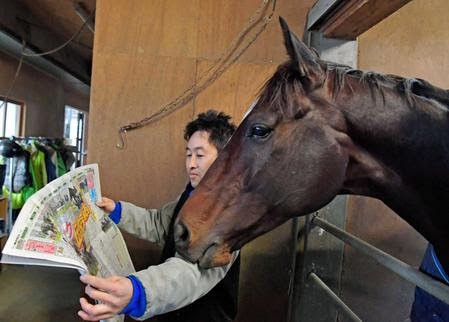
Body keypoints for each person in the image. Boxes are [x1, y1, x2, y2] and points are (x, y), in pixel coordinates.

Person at [78, 110, 240, 322]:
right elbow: (161, 225)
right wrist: (117, 210)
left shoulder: (231, 212)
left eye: (199, 155)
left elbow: (193, 272)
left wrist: (138, 292)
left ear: (224, 159)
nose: (191, 164)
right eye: (188, 154)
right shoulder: (193, 193)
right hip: (171, 309)